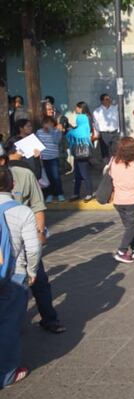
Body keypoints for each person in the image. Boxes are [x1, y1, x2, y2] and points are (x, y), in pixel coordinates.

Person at [0, 142, 64, 334]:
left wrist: (40, 233)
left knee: (39, 281)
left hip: (22, 242)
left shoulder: (24, 176)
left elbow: (37, 205)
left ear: (3, 160)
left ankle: (49, 318)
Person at [0, 165, 40, 388]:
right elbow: (33, 249)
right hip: (14, 275)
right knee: (8, 325)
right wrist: (32, 271)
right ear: (12, 185)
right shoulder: (22, 211)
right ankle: (6, 374)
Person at [66, 101, 96, 201]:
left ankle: (89, 193)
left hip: (80, 148)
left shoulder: (81, 117)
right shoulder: (88, 117)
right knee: (78, 173)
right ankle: (76, 193)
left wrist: (70, 131)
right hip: (83, 147)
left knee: (83, 173)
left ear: (80, 108)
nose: (75, 109)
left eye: (77, 108)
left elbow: (79, 132)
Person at [35, 116, 64, 202]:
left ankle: (60, 193)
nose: (47, 125)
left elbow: (56, 141)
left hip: (53, 157)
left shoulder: (56, 131)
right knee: (48, 177)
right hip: (44, 158)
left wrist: (51, 131)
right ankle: (50, 194)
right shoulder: (39, 132)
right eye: (45, 123)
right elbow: (37, 143)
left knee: (56, 176)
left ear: (53, 123)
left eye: (49, 123)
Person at [93, 93, 120, 164]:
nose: (109, 100)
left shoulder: (115, 108)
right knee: (105, 152)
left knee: (115, 150)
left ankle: (115, 166)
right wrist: (97, 134)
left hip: (114, 133)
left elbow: (119, 119)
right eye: (107, 99)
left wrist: (118, 131)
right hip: (104, 134)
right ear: (102, 101)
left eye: (109, 99)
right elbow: (96, 124)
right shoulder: (97, 111)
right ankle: (107, 166)